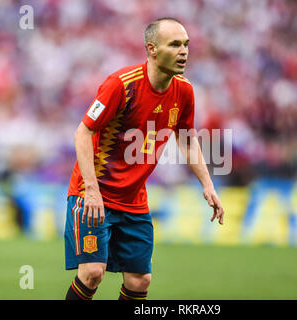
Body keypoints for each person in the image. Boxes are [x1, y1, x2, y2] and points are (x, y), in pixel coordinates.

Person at [64, 17, 225, 300]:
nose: (184, 51)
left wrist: (207, 184)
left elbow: (186, 138)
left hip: (134, 202)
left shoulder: (184, 90)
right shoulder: (121, 84)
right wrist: (90, 189)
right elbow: (83, 132)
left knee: (140, 280)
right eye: (174, 44)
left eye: (186, 44)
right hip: (94, 195)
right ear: (151, 49)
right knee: (92, 272)